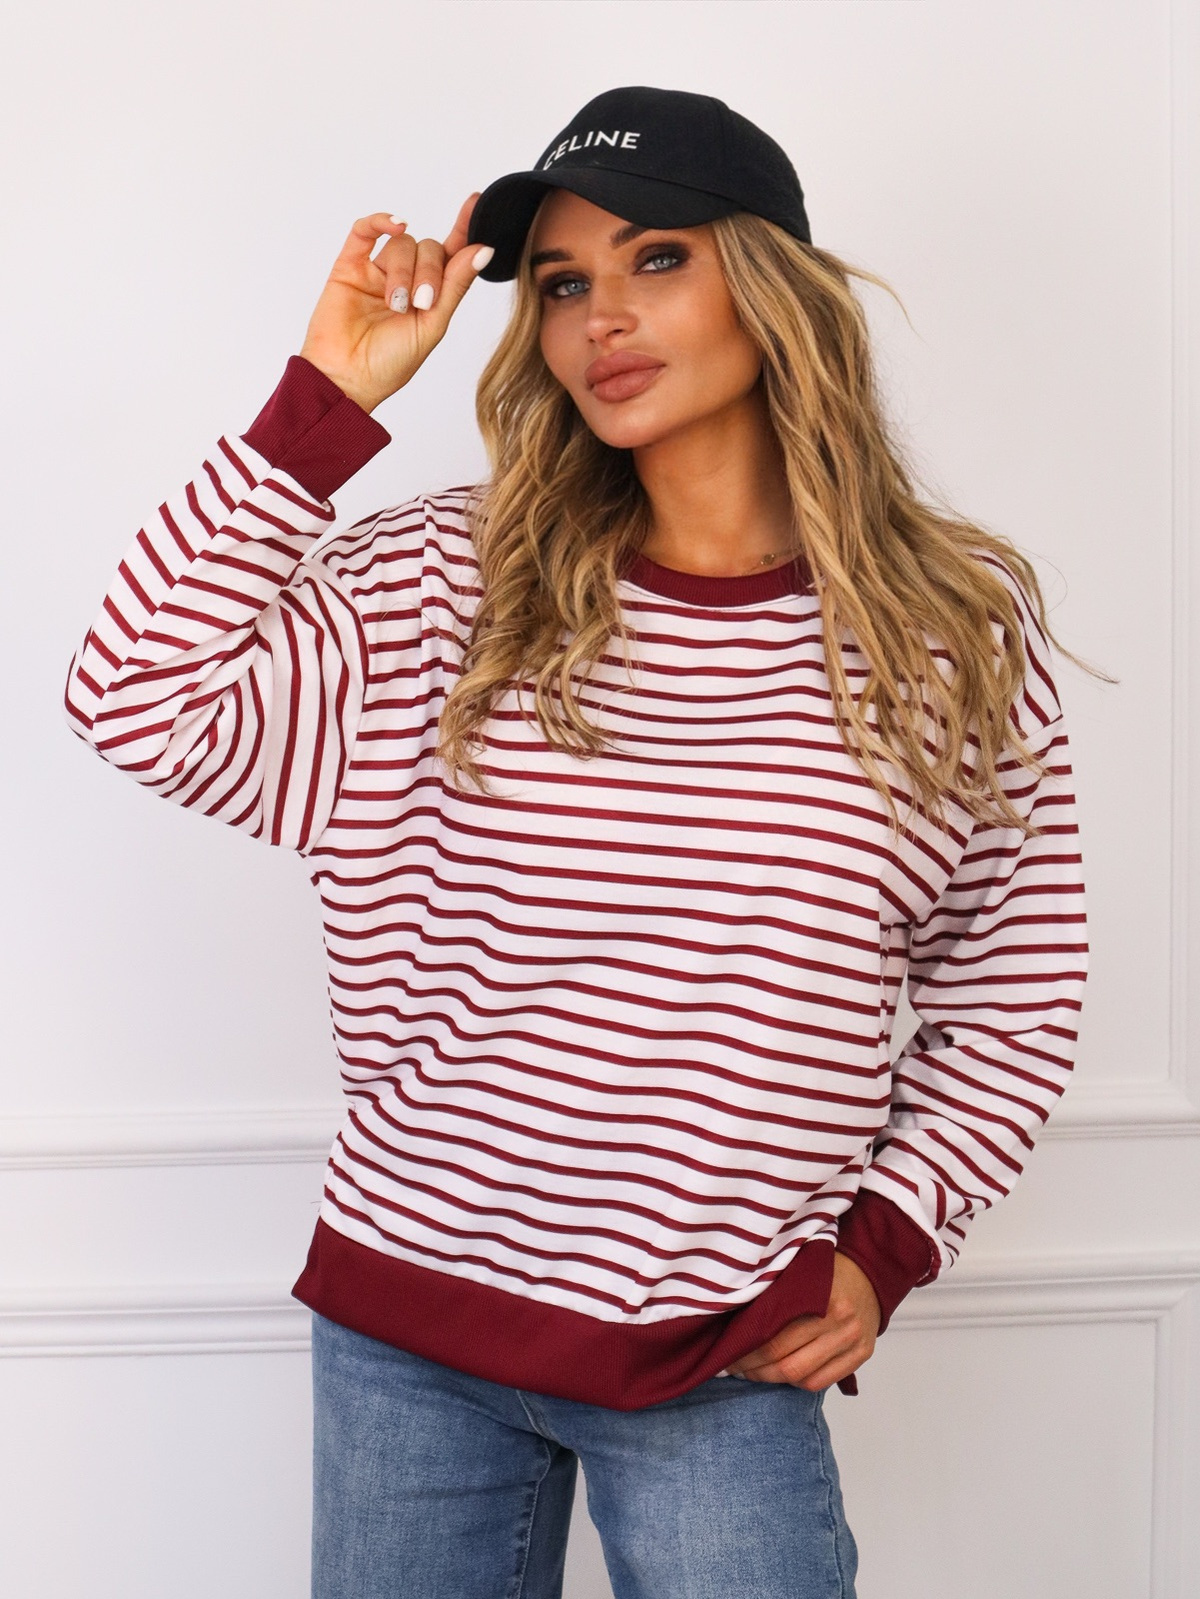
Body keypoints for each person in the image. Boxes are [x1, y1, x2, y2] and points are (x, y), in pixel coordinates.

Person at [64, 85, 1087, 1599]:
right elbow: (132, 696)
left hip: (721, 1355)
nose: (601, 316)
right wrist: (324, 397)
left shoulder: (944, 641)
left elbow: (1014, 993)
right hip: (406, 1338)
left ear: (773, 287)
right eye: (559, 282)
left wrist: (886, 1241)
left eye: (657, 259)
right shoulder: (445, 582)